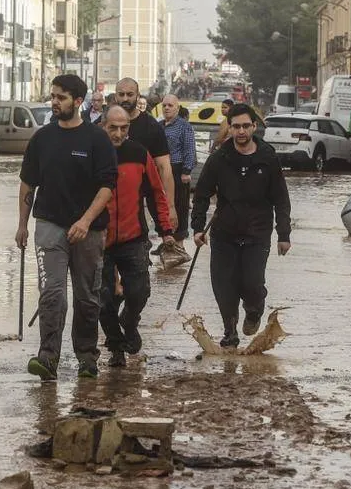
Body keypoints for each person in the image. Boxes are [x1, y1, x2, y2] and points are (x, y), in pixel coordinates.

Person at [17, 73, 116, 381]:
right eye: (53, 96)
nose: (54, 102)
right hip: (49, 225)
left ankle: (87, 357)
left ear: (77, 101)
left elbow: (107, 186)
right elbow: (27, 184)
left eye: (60, 97)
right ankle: (48, 357)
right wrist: (22, 225)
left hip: (89, 230)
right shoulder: (42, 139)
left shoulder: (96, 139)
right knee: (52, 293)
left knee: (87, 296)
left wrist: (86, 221)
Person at [191, 103, 292, 348]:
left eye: (246, 126)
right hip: (224, 232)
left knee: (252, 282)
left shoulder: (267, 157)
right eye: (236, 126)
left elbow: (281, 197)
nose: (241, 131)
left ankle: (254, 310)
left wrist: (284, 234)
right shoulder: (219, 158)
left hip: (257, 232)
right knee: (223, 286)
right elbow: (202, 193)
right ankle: (230, 331)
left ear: (254, 127)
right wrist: (197, 228)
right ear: (230, 128)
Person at [98, 105, 175, 367]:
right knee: (103, 299)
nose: (118, 134)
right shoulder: (92, 154)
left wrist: (166, 231)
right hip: (99, 240)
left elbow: (156, 194)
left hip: (134, 237)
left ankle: (129, 322)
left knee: (139, 292)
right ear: (103, 126)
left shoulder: (139, 154)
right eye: (113, 128)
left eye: (124, 128)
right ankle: (116, 347)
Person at [115, 78, 177, 234]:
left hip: (140, 201)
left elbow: (164, 168)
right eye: (121, 94)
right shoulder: (101, 125)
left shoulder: (151, 127)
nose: (125, 99)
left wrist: (170, 207)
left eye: (130, 94)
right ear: (115, 96)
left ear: (138, 96)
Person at [160, 93, 196, 264]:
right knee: (163, 206)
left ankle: (179, 246)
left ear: (177, 108)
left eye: (170, 105)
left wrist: (186, 171)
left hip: (178, 170)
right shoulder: (158, 126)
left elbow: (190, 150)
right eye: (164, 105)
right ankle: (166, 244)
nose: (167, 108)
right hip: (160, 170)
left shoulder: (184, 127)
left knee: (180, 207)